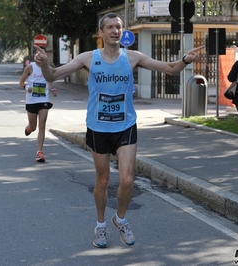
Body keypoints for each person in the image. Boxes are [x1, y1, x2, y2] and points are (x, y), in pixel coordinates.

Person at [34, 12, 203, 248]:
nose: (115, 30)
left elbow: (170, 69)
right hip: (98, 126)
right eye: (110, 27)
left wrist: (185, 59)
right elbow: (53, 75)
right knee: (102, 180)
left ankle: (120, 219)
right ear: (101, 33)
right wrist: (44, 66)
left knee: (127, 179)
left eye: (119, 27)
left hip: (125, 126)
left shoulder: (132, 57)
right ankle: (100, 226)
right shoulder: (88, 58)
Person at [19, 47, 57, 162]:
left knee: (42, 125)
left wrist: (52, 89)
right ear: (34, 55)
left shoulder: (48, 68)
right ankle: (29, 128)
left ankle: (39, 152)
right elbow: (21, 82)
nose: (39, 55)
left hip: (43, 100)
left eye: (42, 53)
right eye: (37, 53)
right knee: (34, 127)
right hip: (31, 100)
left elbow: (50, 82)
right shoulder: (30, 67)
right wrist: (27, 87)